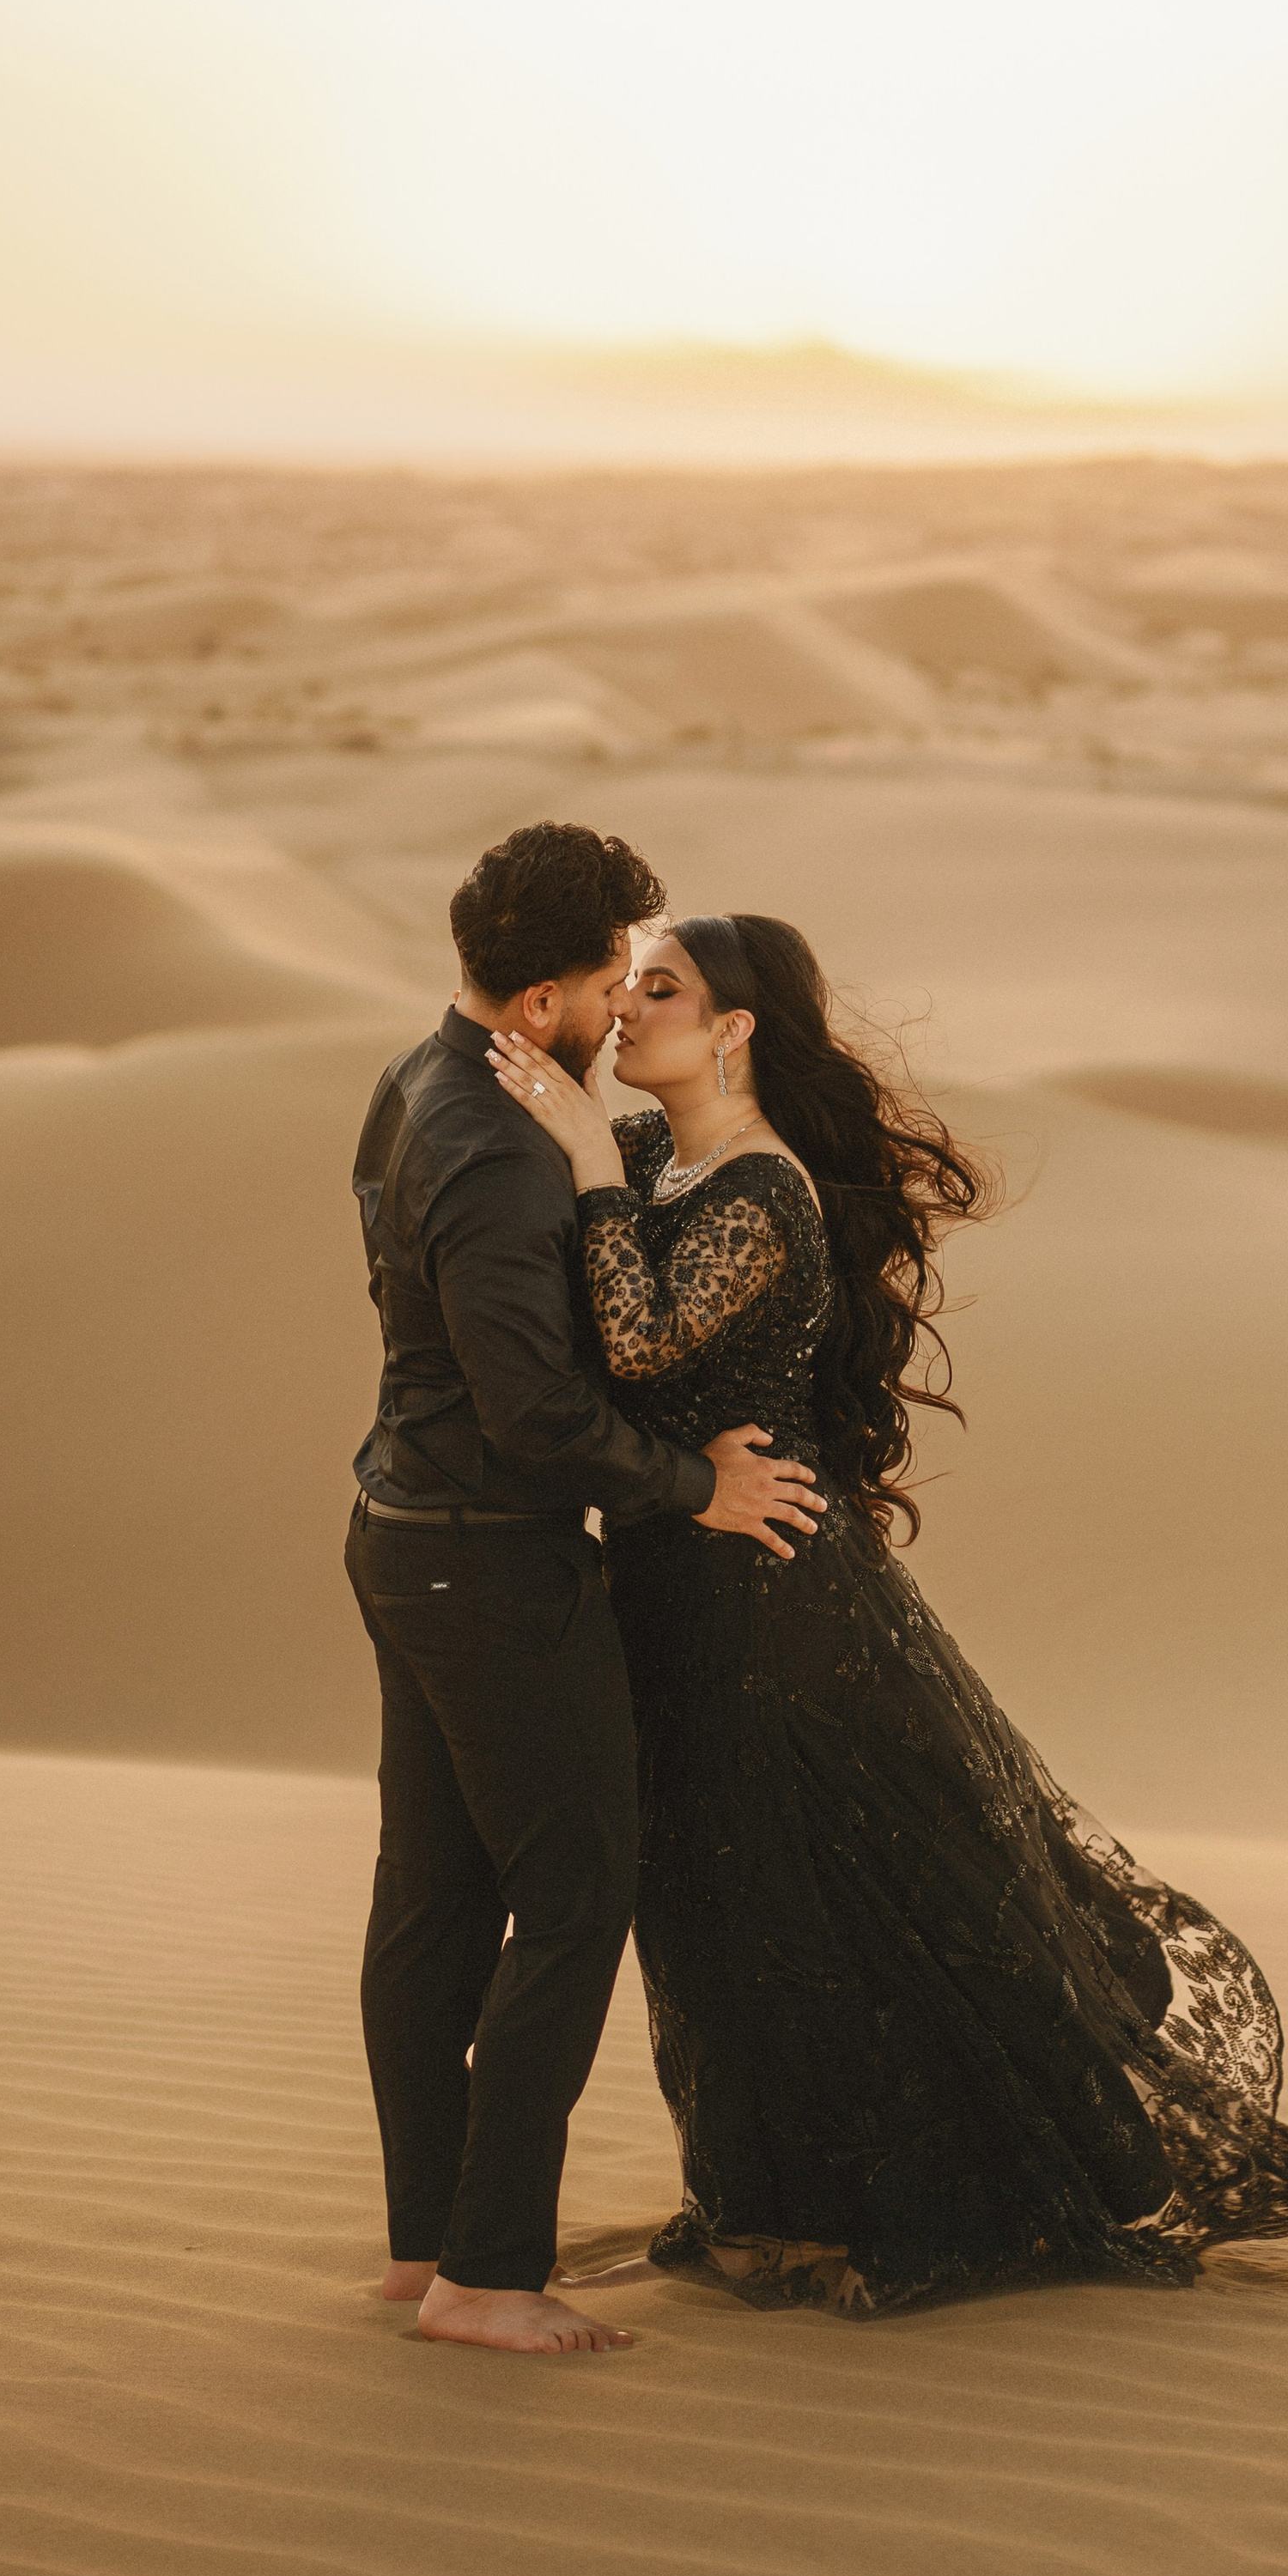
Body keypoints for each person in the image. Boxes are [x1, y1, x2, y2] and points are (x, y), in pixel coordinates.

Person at [488, 910, 1288, 2316]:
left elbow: (639, 1340)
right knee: (706, 1899)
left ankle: (892, 2203)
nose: (631, 1007)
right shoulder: (659, 1155)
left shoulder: (760, 1191)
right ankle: (758, 2202)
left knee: (800, 1894)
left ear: (733, 1029)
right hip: (671, 1583)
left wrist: (590, 1161)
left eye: (662, 988)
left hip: (769, 1594)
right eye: (629, 983)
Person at [345, 826, 824, 2356]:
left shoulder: (415, 1080)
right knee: (571, 1896)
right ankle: (489, 2273)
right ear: (544, 1000)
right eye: (612, 977)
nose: (624, 1001)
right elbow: (539, 1413)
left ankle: (428, 2249)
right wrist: (698, 1484)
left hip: (409, 1528)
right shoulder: (499, 1149)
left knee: (433, 1903)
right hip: (488, 1554)